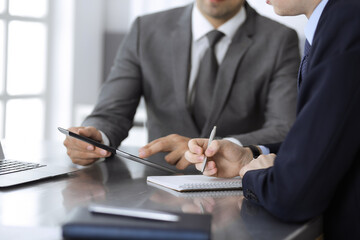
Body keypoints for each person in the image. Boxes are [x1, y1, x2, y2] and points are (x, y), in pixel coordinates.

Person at [185, 0, 360, 238]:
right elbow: (331, 135)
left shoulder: (346, 27)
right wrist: (252, 155)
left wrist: (254, 176)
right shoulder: (337, 22)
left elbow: (293, 195)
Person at [63, 0, 300, 170]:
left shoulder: (279, 40)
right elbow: (111, 111)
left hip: (235, 188)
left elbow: (284, 127)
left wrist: (223, 148)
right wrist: (96, 138)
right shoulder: (146, 29)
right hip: (156, 184)